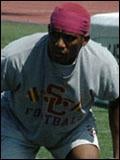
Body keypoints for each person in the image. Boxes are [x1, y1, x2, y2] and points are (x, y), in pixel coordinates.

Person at [1, 2, 119, 159]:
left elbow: (117, 98)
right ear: (49, 30)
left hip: (72, 127)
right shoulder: (15, 57)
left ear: (85, 40)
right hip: (18, 125)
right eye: (55, 34)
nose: (59, 44)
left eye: (69, 38)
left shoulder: (102, 63)